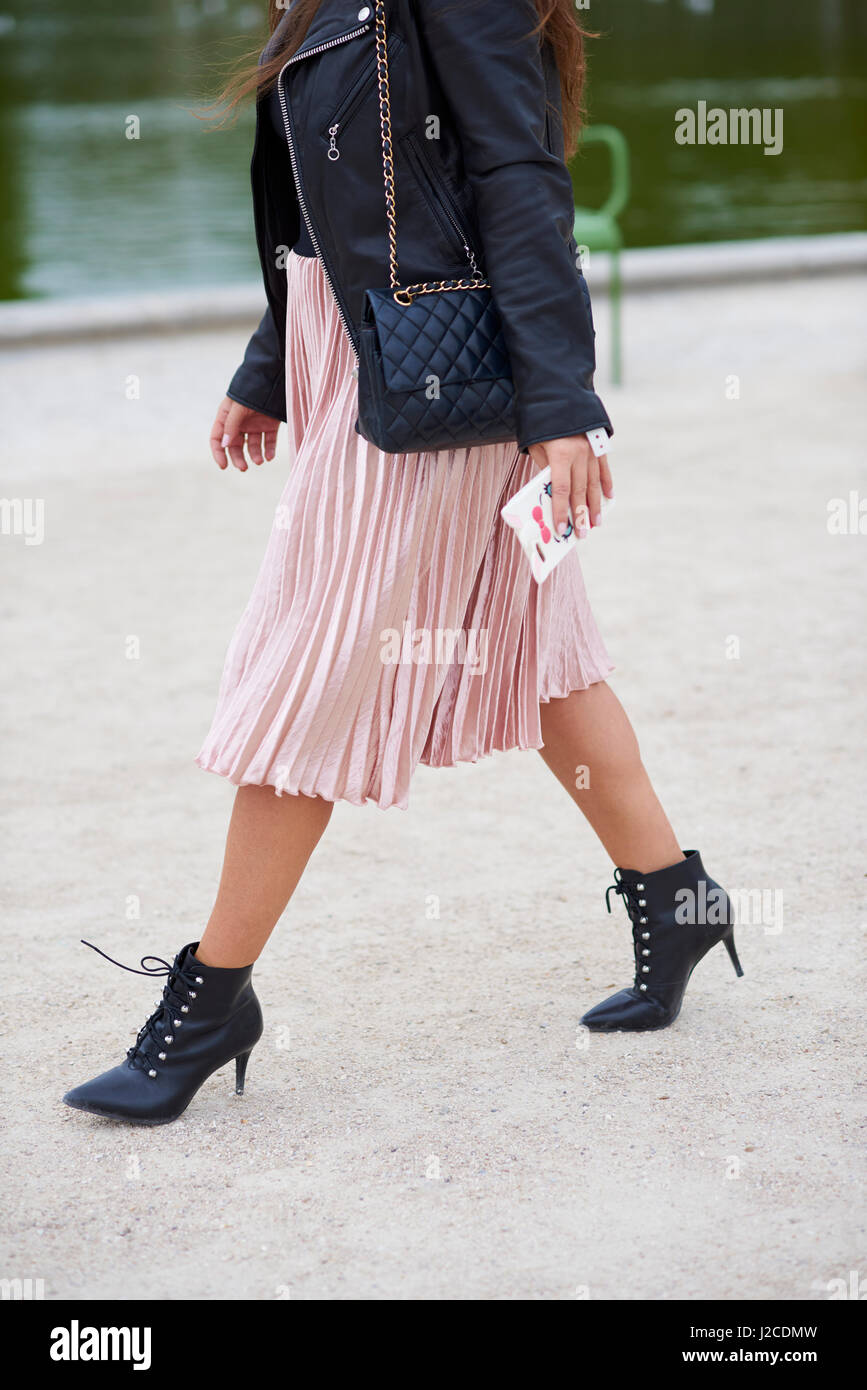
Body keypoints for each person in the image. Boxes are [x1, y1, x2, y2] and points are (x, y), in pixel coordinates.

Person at [63, 0, 741, 1127]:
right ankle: (678, 899)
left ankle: (211, 1001)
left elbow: (518, 179)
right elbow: (332, 207)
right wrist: (272, 362)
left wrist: (562, 410)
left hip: (447, 389)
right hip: (367, 361)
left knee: (311, 666)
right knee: (544, 657)